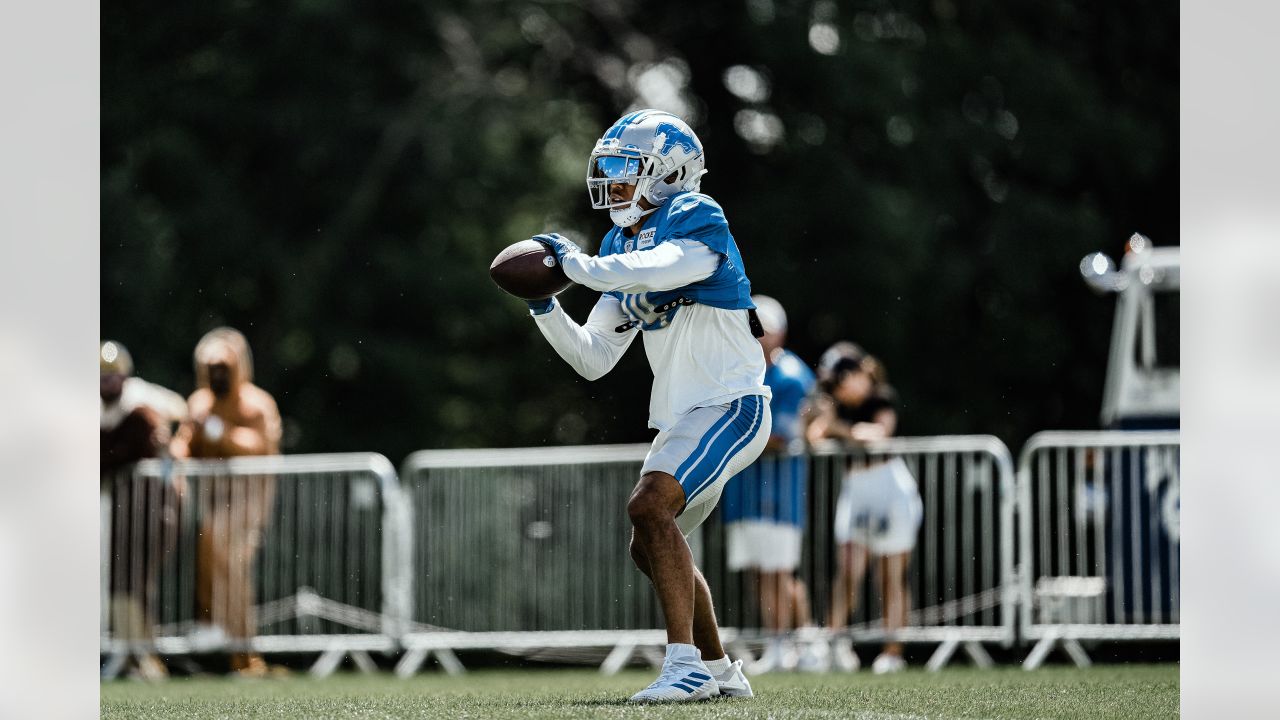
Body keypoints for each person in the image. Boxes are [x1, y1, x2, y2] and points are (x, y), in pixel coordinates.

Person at [522, 109, 771, 702]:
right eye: (608, 170)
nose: (612, 184)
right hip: (687, 414)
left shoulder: (696, 215)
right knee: (649, 541)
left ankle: (681, 664)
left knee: (649, 504)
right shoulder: (619, 245)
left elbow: (668, 266)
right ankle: (718, 671)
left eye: (626, 171)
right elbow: (594, 357)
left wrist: (581, 268)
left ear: (669, 173)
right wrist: (545, 306)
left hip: (732, 401)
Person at [170, 327, 282, 677]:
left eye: (224, 367)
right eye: (212, 368)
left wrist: (221, 432)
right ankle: (228, 644)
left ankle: (245, 652)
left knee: (231, 567)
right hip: (212, 504)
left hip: (248, 502)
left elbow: (260, 447)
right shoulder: (199, 403)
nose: (218, 375)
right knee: (214, 567)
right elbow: (184, 443)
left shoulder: (257, 404)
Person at [805, 342, 921, 674]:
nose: (838, 391)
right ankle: (835, 644)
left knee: (890, 575)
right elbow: (813, 438)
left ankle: (892, 652)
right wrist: (816, 419)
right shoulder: (836, 405)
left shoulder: (880, 397)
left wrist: (836, 427)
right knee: (848, 573)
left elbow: (878, 435)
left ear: (857, 373)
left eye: (839, 382)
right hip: (856, 489)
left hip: (889, 487)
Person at [718, 295, 817, 673]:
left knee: (781, 570)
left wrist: (737, 433)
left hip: (780, 488)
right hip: (746, 489)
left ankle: (802, 642)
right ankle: (780, 643)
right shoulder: (740, 369)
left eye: (765, 329)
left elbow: (778, 437)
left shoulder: (792, 376)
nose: (758, 335)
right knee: (760, 569)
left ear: (781, 334)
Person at [100, 340, 186, 680]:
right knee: (122, 578)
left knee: (136, 576)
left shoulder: (142, 405)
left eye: (112, 376)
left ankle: (142, 653)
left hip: (156, 501)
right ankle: (132, 652)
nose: (107, 383)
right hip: (124, 502)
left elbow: (179, 414)